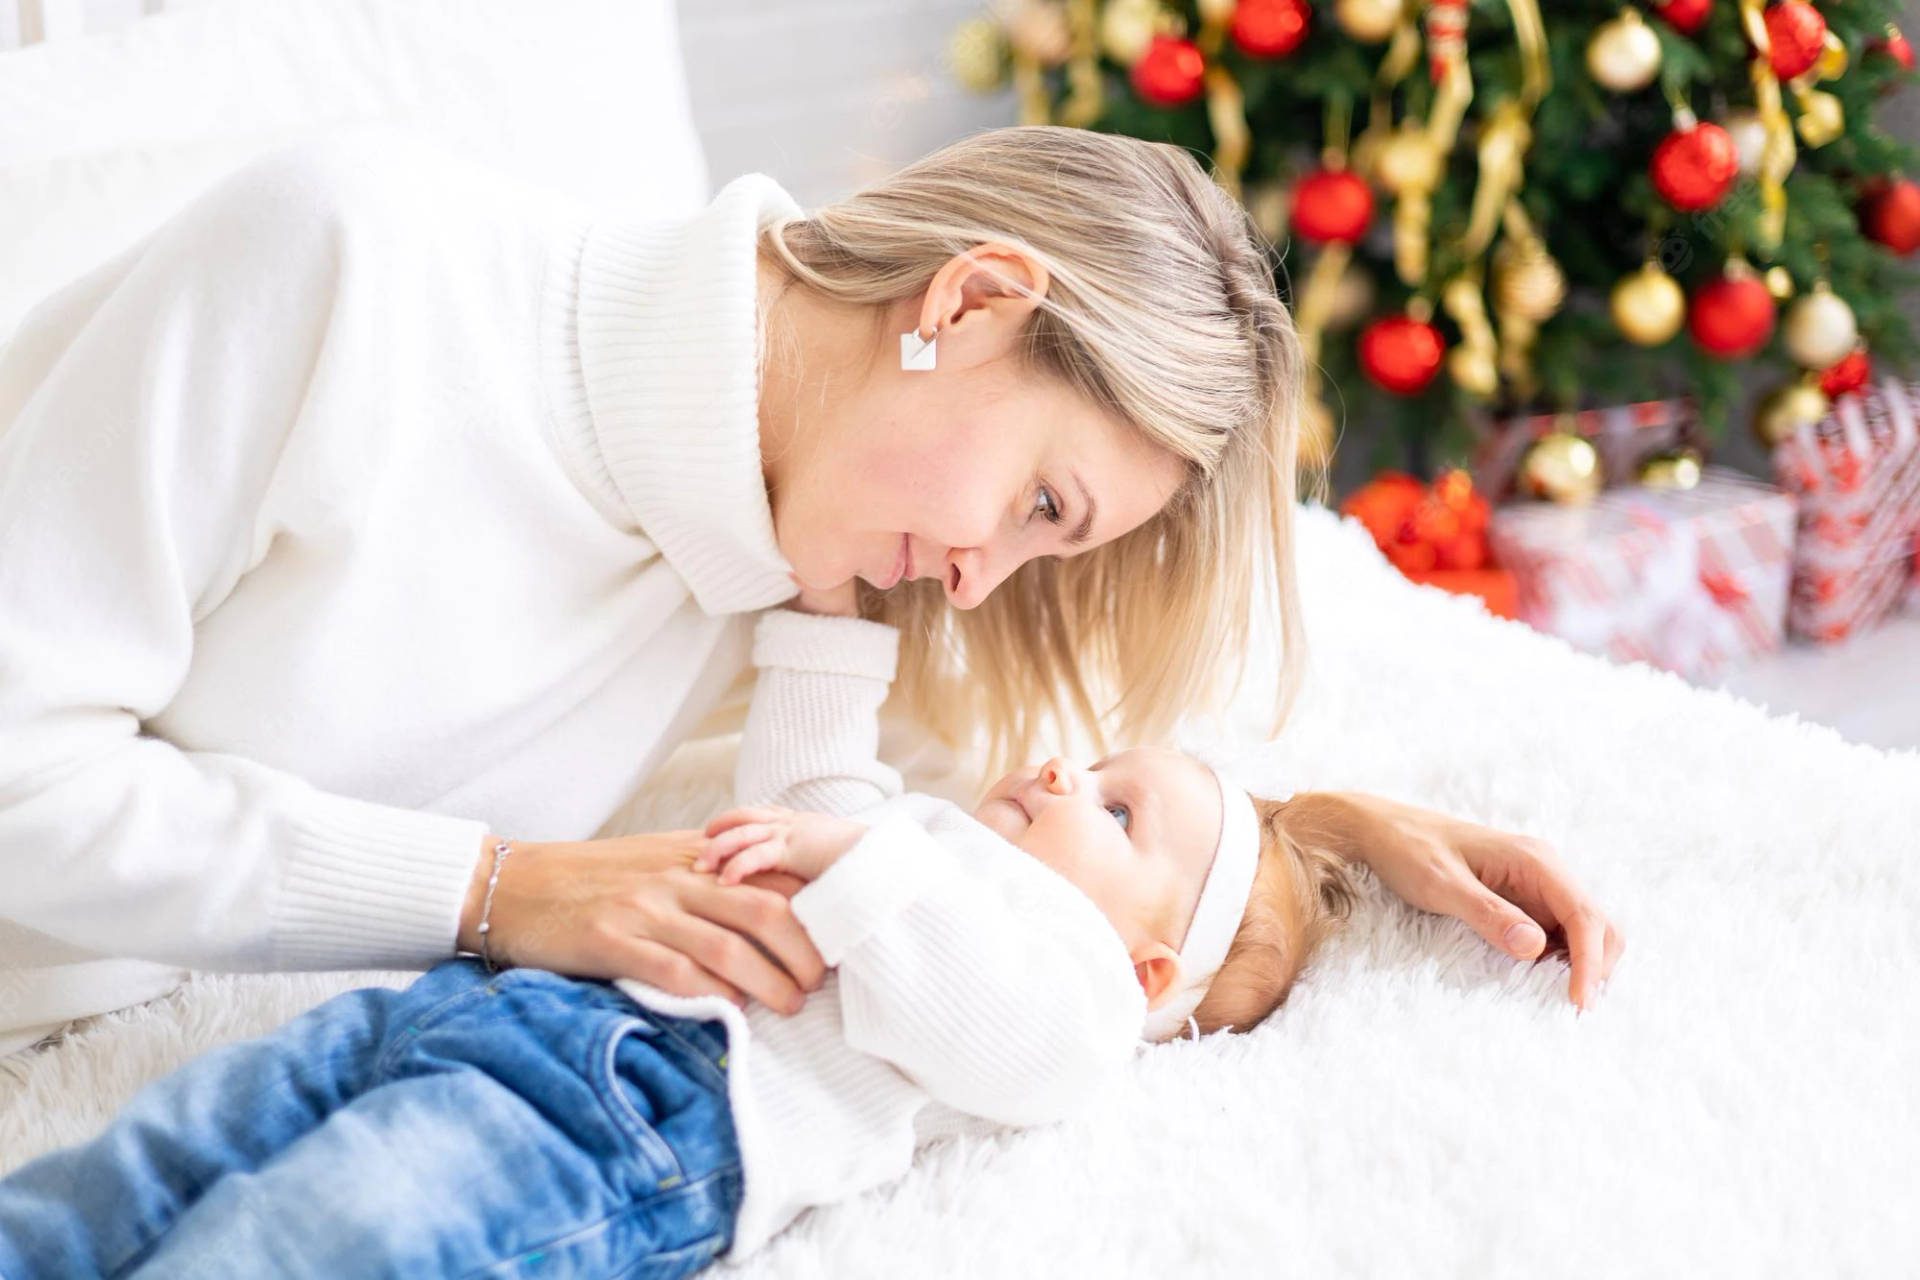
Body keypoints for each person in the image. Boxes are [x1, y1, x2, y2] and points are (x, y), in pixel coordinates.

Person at [0, 122, 1621, 1059]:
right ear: (973, 300)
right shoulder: (348, 271)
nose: (985, 585)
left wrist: (1309, 841)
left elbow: (1008, 853)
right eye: (1042, 504)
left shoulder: (800, 580)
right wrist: (498, 890)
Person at [0, 606, 1362, 1276]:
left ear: (1149, 973)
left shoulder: (1072, 997)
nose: (1067, 775)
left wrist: (864, 863)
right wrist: (832, 626)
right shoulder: (928, 843)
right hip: (485, 1005)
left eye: (1117, 810)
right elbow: (809, 796)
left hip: (639, 1119)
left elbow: (996, 1029)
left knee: (320, 1234)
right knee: (174, 1145)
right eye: (1093, 762)